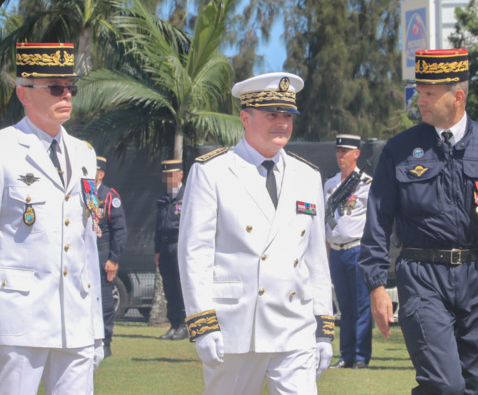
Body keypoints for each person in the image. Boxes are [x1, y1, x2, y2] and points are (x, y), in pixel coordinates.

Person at [358, 49, 478, 394]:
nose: (420, 100)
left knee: (473, 386)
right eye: (419, 91)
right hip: (422, 277)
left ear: (457, 96)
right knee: (444, 385)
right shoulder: (399, 149)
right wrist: (375, 286)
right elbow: (378, 221)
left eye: (430, 93)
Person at [0, 42, 104, 393]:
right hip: (19, 317)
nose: (66, 95)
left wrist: (96, 326)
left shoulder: (85, 154)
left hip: (75, 319)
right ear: (24, 93)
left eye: (70, 88)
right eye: (55, 88)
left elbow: (87, 245)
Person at [178, 72, 334, 394]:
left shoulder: (308, 175)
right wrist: (202, 323)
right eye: (272, 115)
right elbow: (195, 253)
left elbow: (316, 258)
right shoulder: (213, 172)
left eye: (287, 115)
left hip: (294, 323)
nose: (282, 123)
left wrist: (323, 326)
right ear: (245, 118)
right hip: (236, 326)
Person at [324, 134, 372, 369]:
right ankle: (346, 355)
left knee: (362, 304)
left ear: (356, 154)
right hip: (336, 251)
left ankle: (361, 356)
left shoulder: (366, 183)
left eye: (345, 151)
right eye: (338, 151)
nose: (340, 156)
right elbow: (326, 221)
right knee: (344, 306)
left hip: (358, 249)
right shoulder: (330, 183)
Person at [95, 156, 127, 356]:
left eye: (94, 170)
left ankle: (106, 341)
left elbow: (120, 230)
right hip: (82, 255)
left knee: (105, 301)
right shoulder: (81, 194)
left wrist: (113, 259)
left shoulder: (109, 197)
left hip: (102, 253)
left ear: (101, 174)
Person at [155, 159, 187, 341]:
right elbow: (158, 227)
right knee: (169, 288)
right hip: (165, 246)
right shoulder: (164, 198)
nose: (169, 179)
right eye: (166, 175)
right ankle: (174, 324)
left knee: (181, 286)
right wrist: (157, 250)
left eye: (172, 175)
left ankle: (184, 325)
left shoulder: (187, 195)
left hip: (180, 245)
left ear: (180, 175)